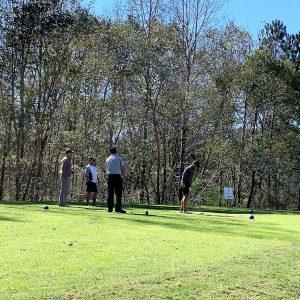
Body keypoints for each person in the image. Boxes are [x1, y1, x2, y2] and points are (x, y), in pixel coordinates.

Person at [105, 147, 126, 213]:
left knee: (110, 193)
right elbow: (122, 168)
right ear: (116, 151)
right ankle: (118, 208)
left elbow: (105, 169)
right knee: (118, 193)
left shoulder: (107, 159)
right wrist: (123, 176)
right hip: (117, 176)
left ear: (110, 152)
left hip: (110, 176)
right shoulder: (119, 158)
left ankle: (110, 208)